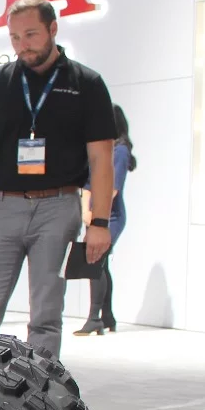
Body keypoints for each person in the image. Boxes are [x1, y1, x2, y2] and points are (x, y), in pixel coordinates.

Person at [0, 0, 115, 360]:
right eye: (14, 38)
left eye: (30, 34)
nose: (22, 45)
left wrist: (101, 221)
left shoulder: (87, 83)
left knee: (47, 313)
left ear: (53, 29)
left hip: (59, 208)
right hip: (1, 208)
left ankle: (43, 395)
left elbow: (101, 158)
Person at [76, 104, 136, 337]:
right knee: (102, 264)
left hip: (111, 216)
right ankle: (107, 317)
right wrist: (85, 210)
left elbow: (113, 188)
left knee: (95, 261)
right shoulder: (100, 150)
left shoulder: (120, 151)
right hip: (94, 213)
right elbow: (88, 183)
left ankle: (94, 318)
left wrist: (94, 214)